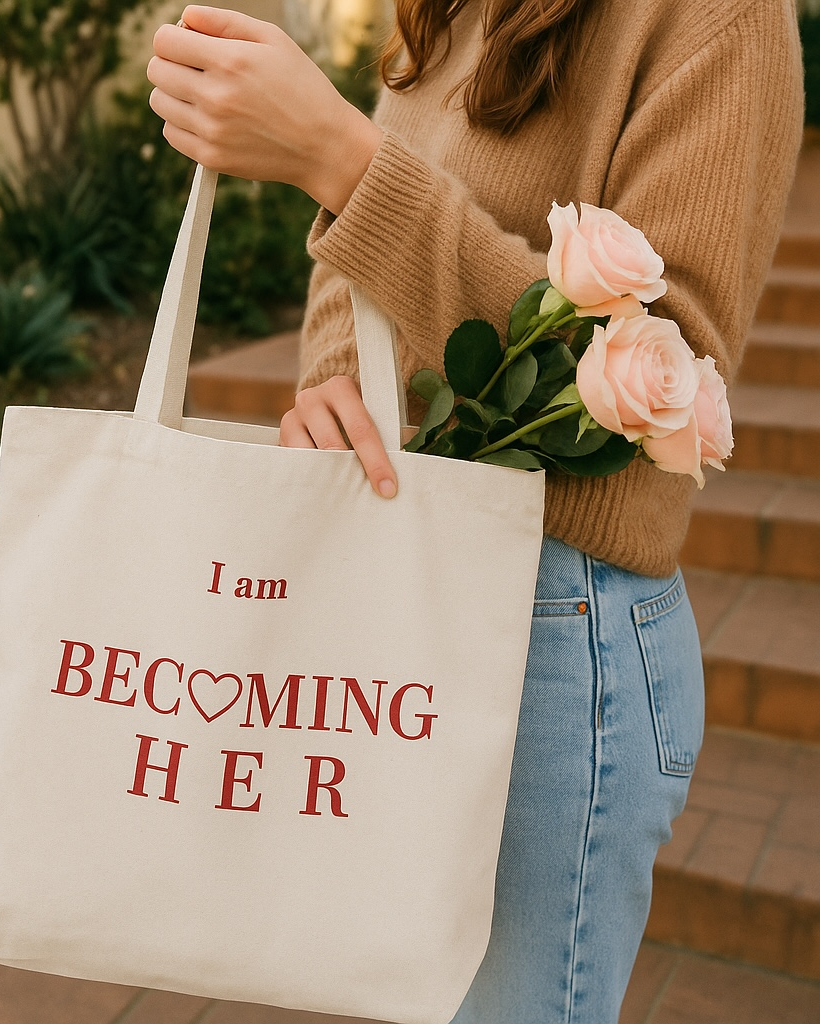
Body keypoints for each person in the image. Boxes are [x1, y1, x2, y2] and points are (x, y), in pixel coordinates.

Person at [147, 2, 804, 1020]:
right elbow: (348, 263)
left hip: (552, 624)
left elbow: (660, 378)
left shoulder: (722, 18)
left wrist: (341, 158)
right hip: (393, 589)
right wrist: (334, 389)